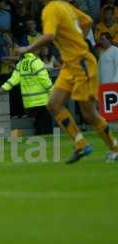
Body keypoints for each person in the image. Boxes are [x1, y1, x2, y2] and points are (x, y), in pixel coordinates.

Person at [18, 0, 118, 163]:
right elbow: (88, 21)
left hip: (81, 63)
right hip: (69, 65)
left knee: (88, 113)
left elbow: (49, 36)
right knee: (53, 104)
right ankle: (81, 144)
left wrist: (27, 49)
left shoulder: (50, 9)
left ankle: (115, 148)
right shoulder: (65, 6)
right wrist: (75, 43)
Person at [0, 49, 53, 135]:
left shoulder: (21, 64)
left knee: (38, 124)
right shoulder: (36, 62)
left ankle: (38, 139)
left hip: (29, 102)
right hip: (42, 100)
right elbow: (44, 79)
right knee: (46, 126)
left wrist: (3, 88)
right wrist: (53, 91)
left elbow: (14, 79)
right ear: (35, 51)